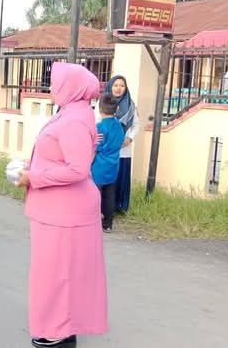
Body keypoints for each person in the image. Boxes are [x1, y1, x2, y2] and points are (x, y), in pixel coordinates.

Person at [15, 62, 107, 347]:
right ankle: (55, 326)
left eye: (57, 83)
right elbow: (59, 154)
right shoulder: (70, 113)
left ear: (71, 87)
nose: (52, 88)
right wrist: (30, 166)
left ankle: (59, 331)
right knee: (53, 274)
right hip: (56, 210)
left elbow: (77, 169)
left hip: (65, 212)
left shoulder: (75, 119)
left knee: (59, 276)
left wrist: (34, 176)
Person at [105, 75, 140, 213]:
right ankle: (105, 209)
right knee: (107, 178)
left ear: (126, 88)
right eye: (115, 85)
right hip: (107, 149)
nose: (118, 88)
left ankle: (120, 206)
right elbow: (97, 123)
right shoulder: (103, 102)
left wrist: (129, 138)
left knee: (121, 176)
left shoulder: (131, 105)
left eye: (122, 86)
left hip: (124, 148)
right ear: (110, 86)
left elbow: (136, 125)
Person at [91, 94, 125, 233]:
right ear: (116, 109)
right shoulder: (119, 126)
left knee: (95, 195)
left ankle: (94, 221)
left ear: (100, 110)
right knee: (110, 195)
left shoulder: (99, 127)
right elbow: (120, 143)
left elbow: (96, 146)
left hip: (99, 166)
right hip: (113, 165)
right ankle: (108, 224)